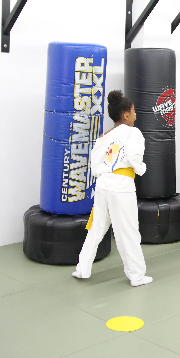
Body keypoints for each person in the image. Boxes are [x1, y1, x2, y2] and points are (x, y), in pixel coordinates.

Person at [73, 91, 152, 287]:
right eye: (134, 112)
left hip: (103, 185)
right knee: (128, 231)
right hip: (121, 187)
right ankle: (136, 276)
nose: (135, 116)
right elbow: (134, 157)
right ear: (125, 115)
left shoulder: (104, 136)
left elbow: (94, 166)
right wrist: (141, 169)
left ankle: (82, 269)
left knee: (96, 228)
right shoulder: (133, 132)